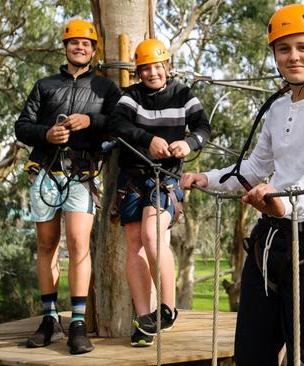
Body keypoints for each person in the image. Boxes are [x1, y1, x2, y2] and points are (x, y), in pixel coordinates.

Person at [180, 4, 304, 365]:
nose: (294, 57)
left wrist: (287, 201)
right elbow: (257, 165)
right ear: (274, 56)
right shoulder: (277, 109)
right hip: (270, 242)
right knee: (251, 354)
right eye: (284, 49)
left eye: (302, 47)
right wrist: (208, 178)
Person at [15, 18, 120, 355]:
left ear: (93, 50)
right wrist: (46, 133)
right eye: (74, 42)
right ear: (65, 47)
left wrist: (93, 121)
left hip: (83, 173)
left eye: (86, 43)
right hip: (45, 171)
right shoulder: (45, 86)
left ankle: (76, 323)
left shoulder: (105, 89)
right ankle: (48, 319)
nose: (80, 47)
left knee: (78, 244)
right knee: (46, 245)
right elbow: (22, 126)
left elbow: (121, 126)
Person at [107, 38, 211, 347]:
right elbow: (116, 124)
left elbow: (203, 128)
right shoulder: (131, 96)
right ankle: (145, 318)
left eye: (158, 67)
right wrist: (147, 139)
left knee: (153, 234)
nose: (153, 73)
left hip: (164, 178)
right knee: (134, 244)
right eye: (146, 69)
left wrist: (188, 144)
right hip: (132, 178)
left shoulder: (183, 94)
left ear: (166, 66)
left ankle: (167, 307)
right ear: (139, 72)